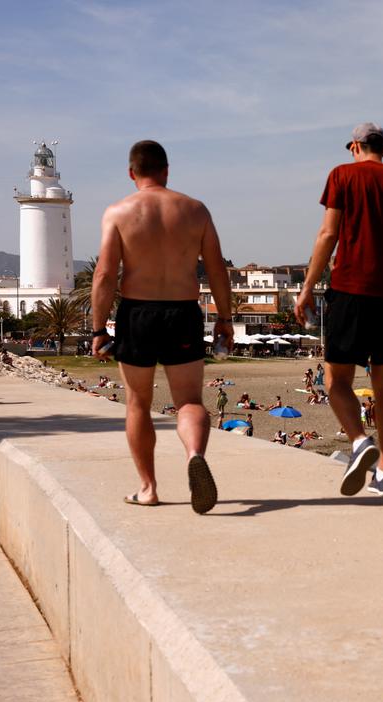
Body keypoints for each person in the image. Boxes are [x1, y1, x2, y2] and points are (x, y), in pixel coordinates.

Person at [91, 140, 233, 512]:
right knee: (189, 401)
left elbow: (105, 274)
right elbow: (217, 268)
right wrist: (225, 318)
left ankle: (148, 488)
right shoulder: (195, 210)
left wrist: (97, 329)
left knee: (138, 402)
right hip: (183, 312)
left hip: (137, 313)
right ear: (167, 170)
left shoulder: (118, 212)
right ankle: (193, 456)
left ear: (131, 172)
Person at [295, 123, 383, 497]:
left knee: (336, 381)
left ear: (356, 146)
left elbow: (328, 234)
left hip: (350, 290)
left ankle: (359, 440)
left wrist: (307, 287)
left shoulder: (342, 175)